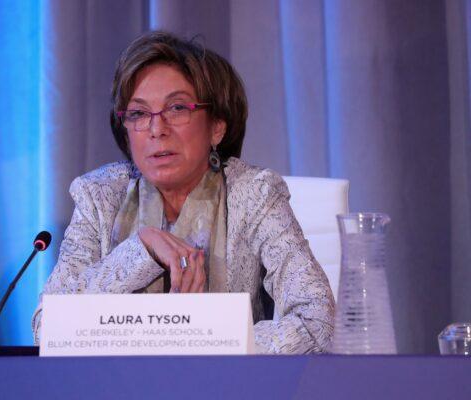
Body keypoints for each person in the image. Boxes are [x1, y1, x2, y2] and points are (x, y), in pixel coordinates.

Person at [32, 31, 334, 354]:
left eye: (176, 108)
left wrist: (200, 344)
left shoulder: (255, 195)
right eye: (138, 113)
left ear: (217, 126)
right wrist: (141, 250)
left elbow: (316, 321)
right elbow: (48, 328)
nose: (156, 129)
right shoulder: (99, 196)